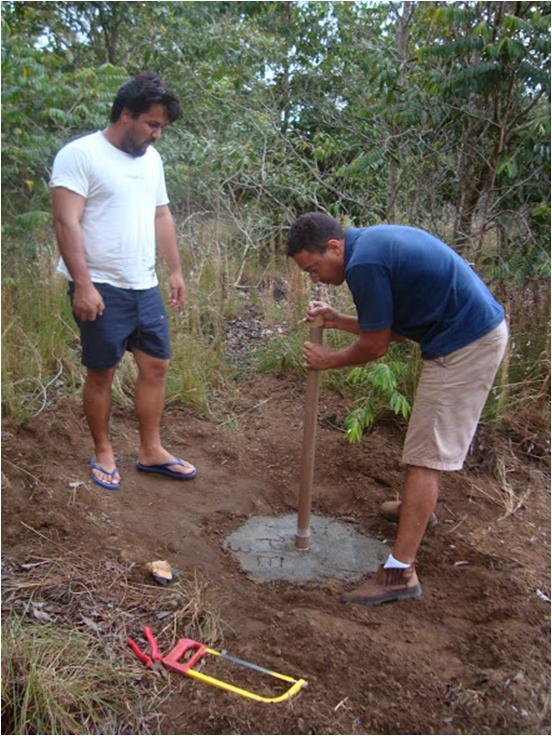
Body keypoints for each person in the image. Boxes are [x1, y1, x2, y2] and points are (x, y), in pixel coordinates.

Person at [287, 212, 508, 606]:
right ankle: (415, 511)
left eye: (315, 268)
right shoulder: (370, 247)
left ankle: (399, 573)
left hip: (466, 345)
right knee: (424, 446)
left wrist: (328, 359)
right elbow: (389, 326)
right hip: (462, 334)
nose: (316, 278)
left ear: (334, 247)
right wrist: (339, 322)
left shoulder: (364, 264)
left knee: (425, 458)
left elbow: (376, 346)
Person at [50, 72, 197, 491]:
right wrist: (83, 283)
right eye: (152, 124)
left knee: (156, 365)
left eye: (162, 128)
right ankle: (103, 451)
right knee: (104, 371)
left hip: (143, 285)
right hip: (100, 284)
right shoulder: (80, 155)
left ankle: (151, 450)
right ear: (126, 114)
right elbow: (66, 220)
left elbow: (160, 214)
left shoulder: (151, 160)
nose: (157, 135)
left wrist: (175, 269)